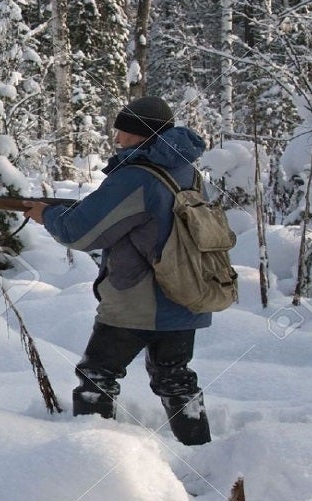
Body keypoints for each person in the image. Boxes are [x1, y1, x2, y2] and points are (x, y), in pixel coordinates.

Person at [23, 96, 212, 446]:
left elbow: (79, 233)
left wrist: (45, 215)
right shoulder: (187, 171)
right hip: (186, 297)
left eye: (124, 130)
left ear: (142, 133)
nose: (117, 137)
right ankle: (200, 451)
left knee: (97, 377)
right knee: (175, 378)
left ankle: (93, 458)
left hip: (137, 301)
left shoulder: (135, 177)